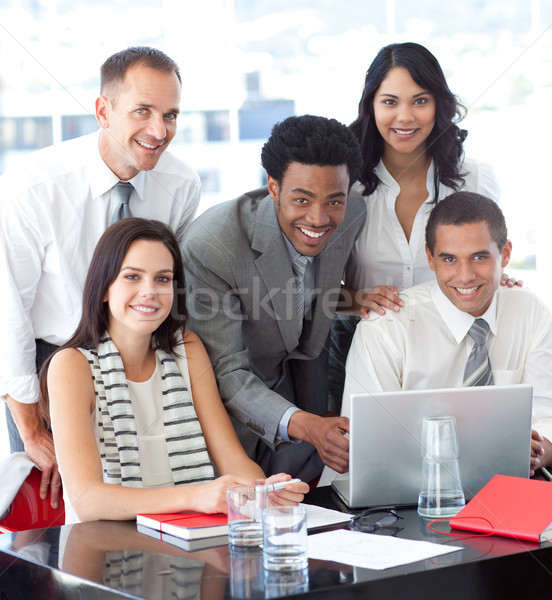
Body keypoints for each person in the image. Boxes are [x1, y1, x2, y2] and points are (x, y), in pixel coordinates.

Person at [0, 46, 201, 507]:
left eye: (170, 115)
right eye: (142, 112)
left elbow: (170, 286)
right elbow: (7, 310)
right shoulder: (31, 188)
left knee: (135, 503)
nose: (159, 130)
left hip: (134, 364)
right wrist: (30, 427)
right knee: (52, 521)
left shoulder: (183, 184)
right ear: (103, 111)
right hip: (51, 366)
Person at [38, 218, 307, 523]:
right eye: (132, 276)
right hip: (103, 548)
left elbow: (234, 461)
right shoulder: (71, 365)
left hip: (186, 538)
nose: (149, 291)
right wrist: (196, 496)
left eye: (163, 279)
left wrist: (262, 491)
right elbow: (88, 499)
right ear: (104, 289)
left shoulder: (187, 349)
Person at [328, 42, 514, 412]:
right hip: (365, 352)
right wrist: (357, 299)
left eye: (420, 100)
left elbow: (485, 253)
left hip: (455, 352)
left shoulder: (473, 177)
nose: (405, 117)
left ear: (438, 104)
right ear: (371, 106)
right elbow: (310, 288)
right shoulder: (346, 185)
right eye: (390, 102)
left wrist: (493, 278)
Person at [181, 115, 366, 481]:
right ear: (273, 187)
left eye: (334, 201)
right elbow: (226, 374)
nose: (319, 218)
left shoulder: (353, 213)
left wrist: (317, 422)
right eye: (302, 199)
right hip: (228, 424)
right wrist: (309, 427)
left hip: (302, 412)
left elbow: (312, 312)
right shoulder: (212, 246)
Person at [341, 192, 552, 476]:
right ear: (430, 258)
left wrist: (538, 452)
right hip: (404, 493)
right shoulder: (385, 328)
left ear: (505, 254)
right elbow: (366, 443)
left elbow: (546, 415)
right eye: (450, 259)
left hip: (509, 481)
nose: (465, 276)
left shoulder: (531, 311)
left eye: (479, 257)